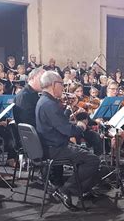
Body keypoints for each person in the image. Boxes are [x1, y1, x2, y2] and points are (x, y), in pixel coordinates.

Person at [35, 71, 101, 210]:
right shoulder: (49, 104)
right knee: (93, 160)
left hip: (50, 145)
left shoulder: (44, 101)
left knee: (85, 155)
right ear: (54, 85)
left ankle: (81, 190)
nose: (63, 88)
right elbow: (68, 131)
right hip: (56, 148)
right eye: (62, 84)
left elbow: (58, 123)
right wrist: (81, 126)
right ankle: (66, 189)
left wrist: (66, 111)